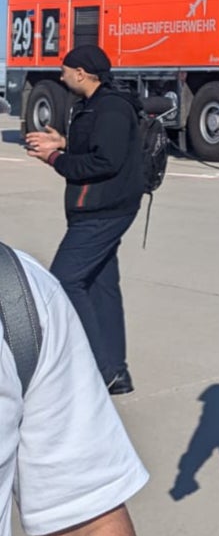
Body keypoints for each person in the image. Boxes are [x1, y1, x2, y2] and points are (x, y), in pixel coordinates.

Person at [1, 243, 152, 536]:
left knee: (80, 278)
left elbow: (84, 531)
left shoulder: (21, 299)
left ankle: (114, 368)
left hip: (94, 215)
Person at [24, 45, 143, 395]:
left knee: (64, 279)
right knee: (100, 286)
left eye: (64, 70)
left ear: (81, 73)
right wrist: (63, 142)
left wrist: (56, 158)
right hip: (98, 208)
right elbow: (95, 148)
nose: (60, 76)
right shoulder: (94, 106)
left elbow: (105, 161)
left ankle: (98, 368)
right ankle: (115, 373)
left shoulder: (112, 109)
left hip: (103, 211)